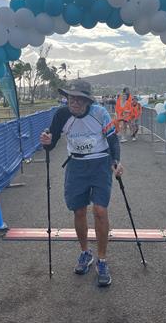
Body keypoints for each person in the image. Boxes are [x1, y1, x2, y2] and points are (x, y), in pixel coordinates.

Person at [40, 79, 123, 287]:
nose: (73, 102)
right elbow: (52, 142)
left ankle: (102, 260)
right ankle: (85, 253)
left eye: (79, 99)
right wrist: (47, 143)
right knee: (78, 211)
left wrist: (116, 161)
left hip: (100, 164)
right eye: (70, 97)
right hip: (76, 166)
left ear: (87, 101)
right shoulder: (61, 115)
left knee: (100, 211)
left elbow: (112, 139)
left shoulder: (100, 113)